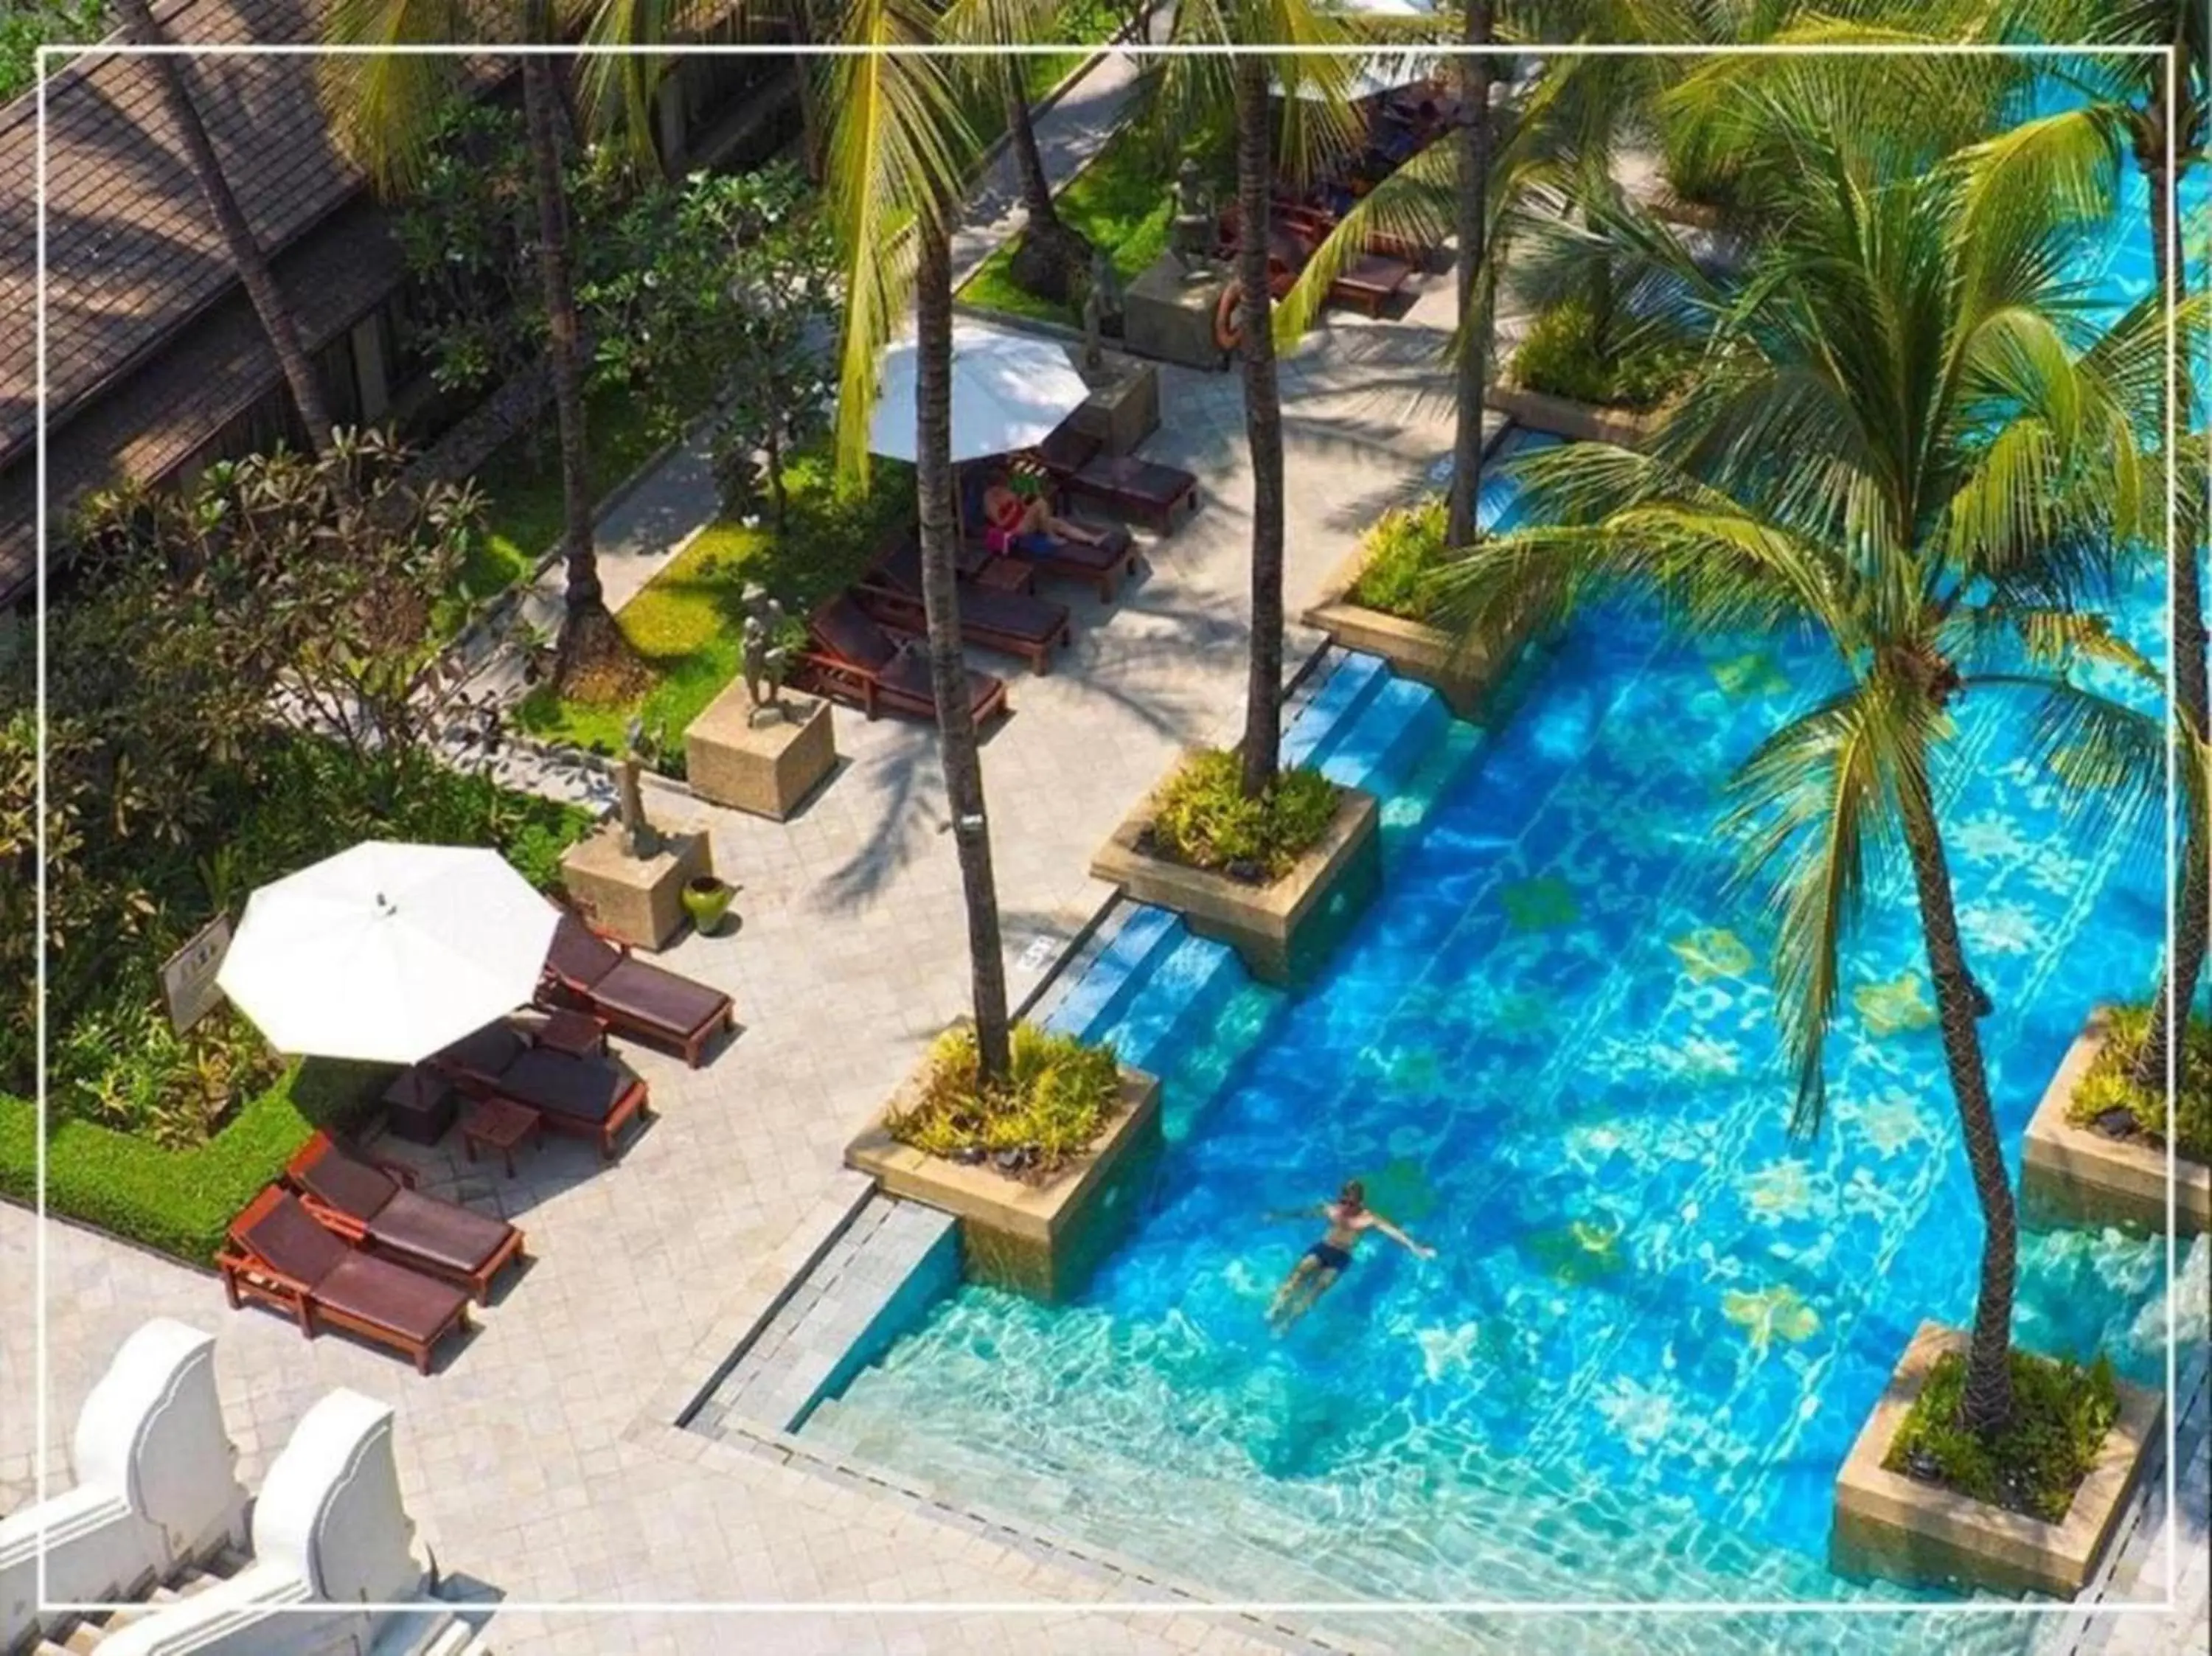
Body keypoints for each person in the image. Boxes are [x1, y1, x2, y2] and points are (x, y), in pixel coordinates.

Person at [1265, 1179, 1434, 1328]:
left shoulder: (1368, 1219)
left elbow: (1395, 1233)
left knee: (1316, 1291)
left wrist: (1416, 1248)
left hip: (1340, 1258)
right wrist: (1279, 1215)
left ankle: (1289, 1323)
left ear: (1360, 1202)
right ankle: (1275, 1308)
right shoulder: (1332, 1210)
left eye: (1350, 1203)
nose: (1345, 1206)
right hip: (1323, 1247)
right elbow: (1303, 1214)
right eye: (1343, 1201)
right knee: (1298, 1275)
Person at [981, 465, 1107, 553]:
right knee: (1039, 504)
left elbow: (1021, 504)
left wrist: (1023, 502)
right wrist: (1014, 510)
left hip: (1025, 520)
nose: (1005, 487)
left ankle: (1092, 539)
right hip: (1015, 529)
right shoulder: (990, 500)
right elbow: (1000, 524)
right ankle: (1050, 536)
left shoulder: (1006, 490)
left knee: (1059, 524)